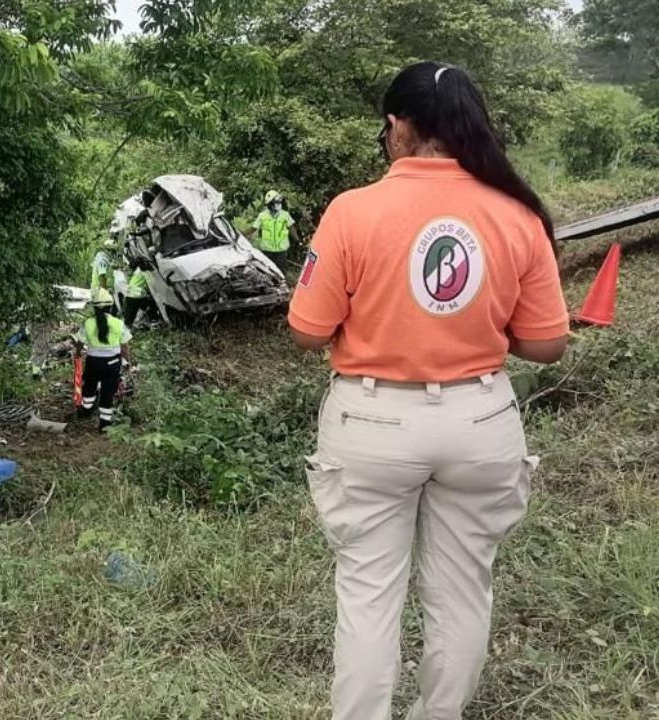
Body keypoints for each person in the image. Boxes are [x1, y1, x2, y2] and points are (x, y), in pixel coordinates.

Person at [288, 61, 568, 720]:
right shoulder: (517, 213)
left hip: (372, 424)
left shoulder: (352, 211)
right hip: (480, 423)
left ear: (397, 127)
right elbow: (547, 344)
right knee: (464, 592)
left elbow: (306, 330)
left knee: (368, 594)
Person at [73, 288, 132, 430]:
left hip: (93, 362)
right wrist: (127, 361)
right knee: (108, 391)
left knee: (89, 387)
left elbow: (80, 342)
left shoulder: (88, 323)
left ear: (94, 307)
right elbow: (124, 346)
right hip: (112, 363)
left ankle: (86, 410)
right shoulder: (118, 323)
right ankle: (105, 423)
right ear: (110, 306)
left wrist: (78, 353)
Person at [250, 190, 299, 270]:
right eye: (276, 203)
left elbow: (291, 227)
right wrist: (240, 234)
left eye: (279, 202)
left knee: (281, 271)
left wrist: (297, 240)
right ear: (269, 205)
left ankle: (281, 282)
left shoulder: (285, 215)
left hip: (281, 250)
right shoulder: (262, 215)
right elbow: (253, 228)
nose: (278, 205)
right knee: (267, 271)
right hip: (267, 250)